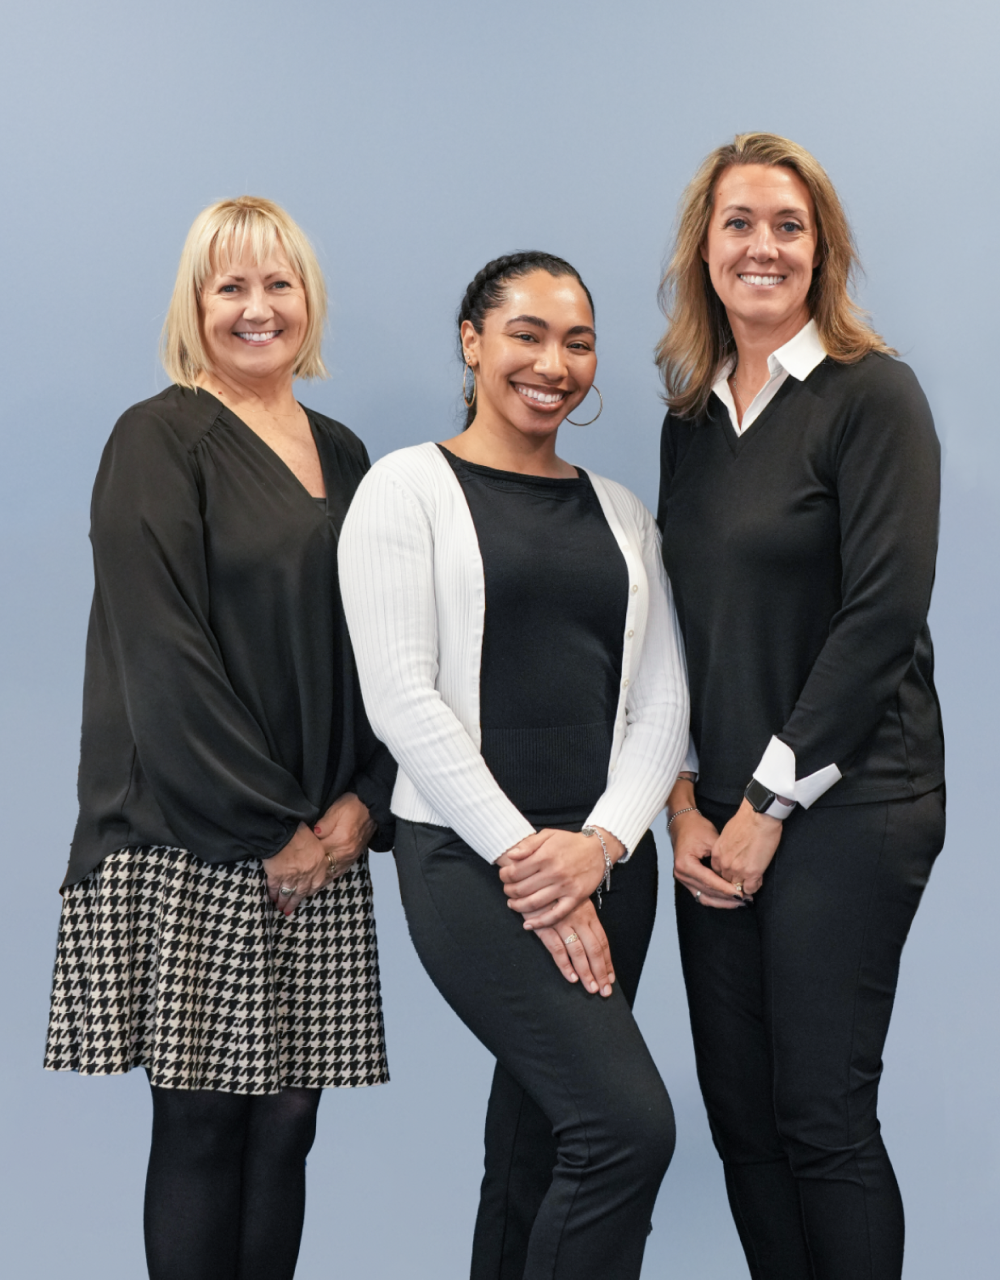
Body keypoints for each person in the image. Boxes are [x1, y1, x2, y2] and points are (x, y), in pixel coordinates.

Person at [44, 195, 396, 1280]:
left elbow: (390, 647)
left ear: (309, 300)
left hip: (322, 835)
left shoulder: (344, 450)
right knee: (200, 1123)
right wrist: (271, 827)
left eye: (277, 284)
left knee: (288, 1122)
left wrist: (358, 808)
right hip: (189, 835)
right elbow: (163, 659)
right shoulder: (156, 439)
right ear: (194, 304)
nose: (257, 308)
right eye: (229, 285)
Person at [339, 252, 689, 1279]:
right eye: (527, 334)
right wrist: (533, 859)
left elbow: (662, 699)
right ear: (473, 341)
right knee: (625, 1128)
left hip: (610, 868)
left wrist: (604, 842)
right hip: (470, 862)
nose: (554, 361)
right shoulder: (407, 489)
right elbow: (404, 696)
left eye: (577, 341)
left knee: (538, 1145)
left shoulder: (622, 512)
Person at [656, 133, 945, 1280]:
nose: (761, 244)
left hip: (851, 800)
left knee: (819, 1114)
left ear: (819, 248)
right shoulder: (691, 421)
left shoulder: (871, 395)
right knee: (744, 1124)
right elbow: (677, 626)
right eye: (739, 222)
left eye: (787, 223)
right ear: (705, 248)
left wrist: (767, 800)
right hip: (718, 816)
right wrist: (685, 801)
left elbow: (878, 616)